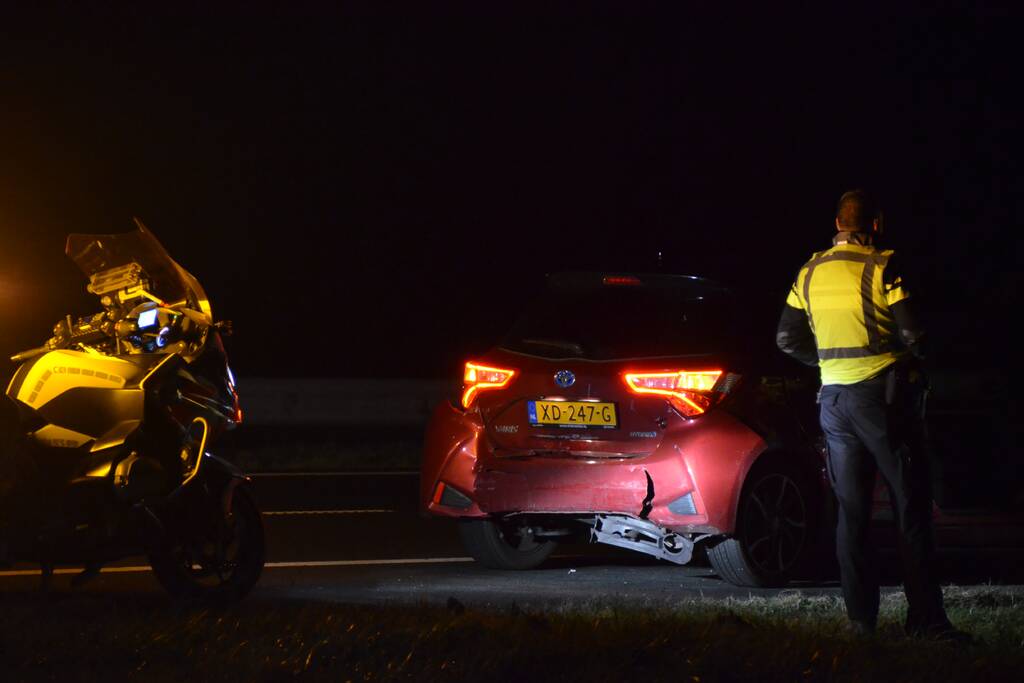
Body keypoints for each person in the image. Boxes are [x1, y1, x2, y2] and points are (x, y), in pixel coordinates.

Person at [776, 189, 965, 640]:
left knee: (852, 513)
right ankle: (926, 621)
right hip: (882, 399)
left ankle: (861, 621)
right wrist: (916, 357)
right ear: (875, 224)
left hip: (834, 400)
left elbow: (785, 339)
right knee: (910, 506)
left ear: (838, 223)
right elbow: (912, 331)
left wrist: (826, 362)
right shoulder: (883, 264)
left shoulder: (809, 271)